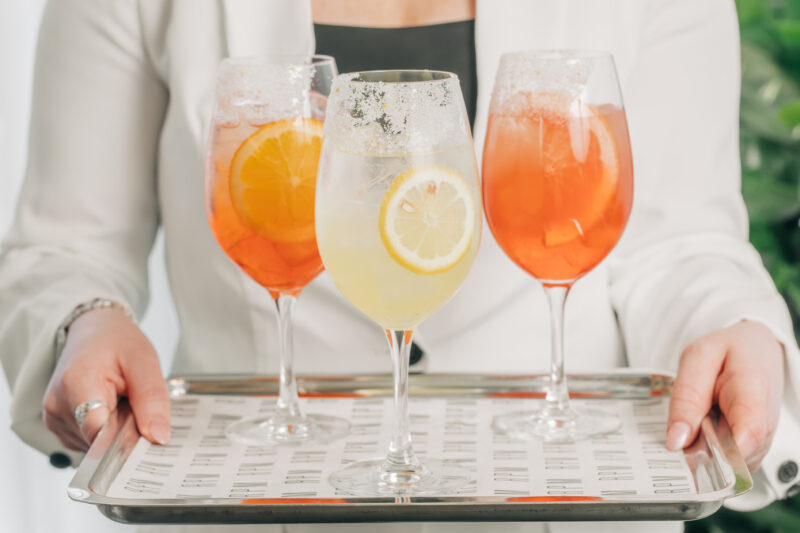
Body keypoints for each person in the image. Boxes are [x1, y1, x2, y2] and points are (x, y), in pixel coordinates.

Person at [1, 0, 798, 532]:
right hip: (250, 502)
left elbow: (682, 242)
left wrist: (737, 332)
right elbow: (65, 248)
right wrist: (79, 320)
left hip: (562, 503)